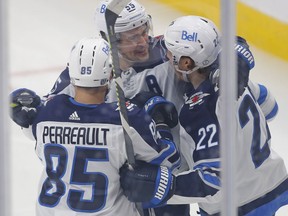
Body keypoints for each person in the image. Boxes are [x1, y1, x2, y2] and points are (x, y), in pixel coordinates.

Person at [9, 1, 278, 215]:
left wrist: (236, 56)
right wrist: (28, 113)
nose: (141, 42)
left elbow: (214, 44)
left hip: (180, 175)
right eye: (129, 37)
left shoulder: (171, 51)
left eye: (143, 31)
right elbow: (55, 118)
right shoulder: (88, 70)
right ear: (108, 38)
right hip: (125, 183)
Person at [119, 15, 288, 216]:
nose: (165, 56)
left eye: (170, 52)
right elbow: (271, 107)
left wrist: (164, 186)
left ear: (186, 63)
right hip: (274, 185)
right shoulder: (236, 80)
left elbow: (214, 182)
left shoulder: (199, 111)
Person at [11, 37, 180, 215]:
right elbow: (169, 160)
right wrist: (160, 124)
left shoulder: (46, 113)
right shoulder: (127, 120)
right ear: (110, 74)